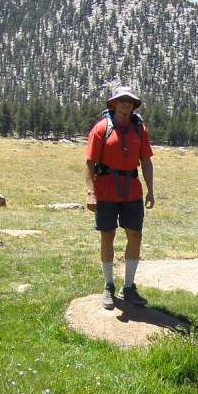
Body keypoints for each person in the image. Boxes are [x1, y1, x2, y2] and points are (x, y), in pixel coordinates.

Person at [85, 86, 155, 309]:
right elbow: (89, 163)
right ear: (113, 103)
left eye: (130, 101)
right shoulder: (101, 129)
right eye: (121, 100)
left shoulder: (139, 130)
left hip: (132, 190)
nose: (126, 104)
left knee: (135, 234)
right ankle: (108, 286)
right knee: (108, 235)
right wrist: (91, 193)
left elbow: (146, 161)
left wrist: (150, 190)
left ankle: (129, 287)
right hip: (106, 190)